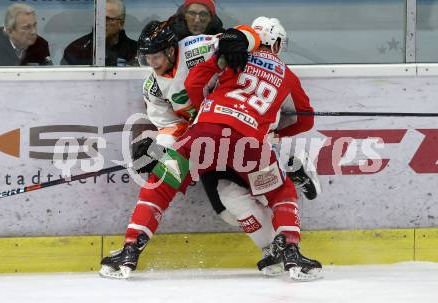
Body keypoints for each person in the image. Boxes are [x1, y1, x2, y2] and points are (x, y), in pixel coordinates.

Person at [99, 17, 322, 281]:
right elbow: (305, 119)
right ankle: (292, 252)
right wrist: (158, 147)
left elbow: (197, 80)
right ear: (276, 44)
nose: (152, 62)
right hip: (249, 141)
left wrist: (205, 113)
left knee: (160, 183)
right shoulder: (286, 73)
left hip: (202, 134)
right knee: (278, 191)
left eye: (156, 55)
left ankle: (129, 250)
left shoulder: (219, 53)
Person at [61, 0, 137, 66]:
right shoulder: (75, 49)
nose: (102, 22)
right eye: (99, 17)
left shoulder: (136, 51)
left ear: (121, 24)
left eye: (108, 19)